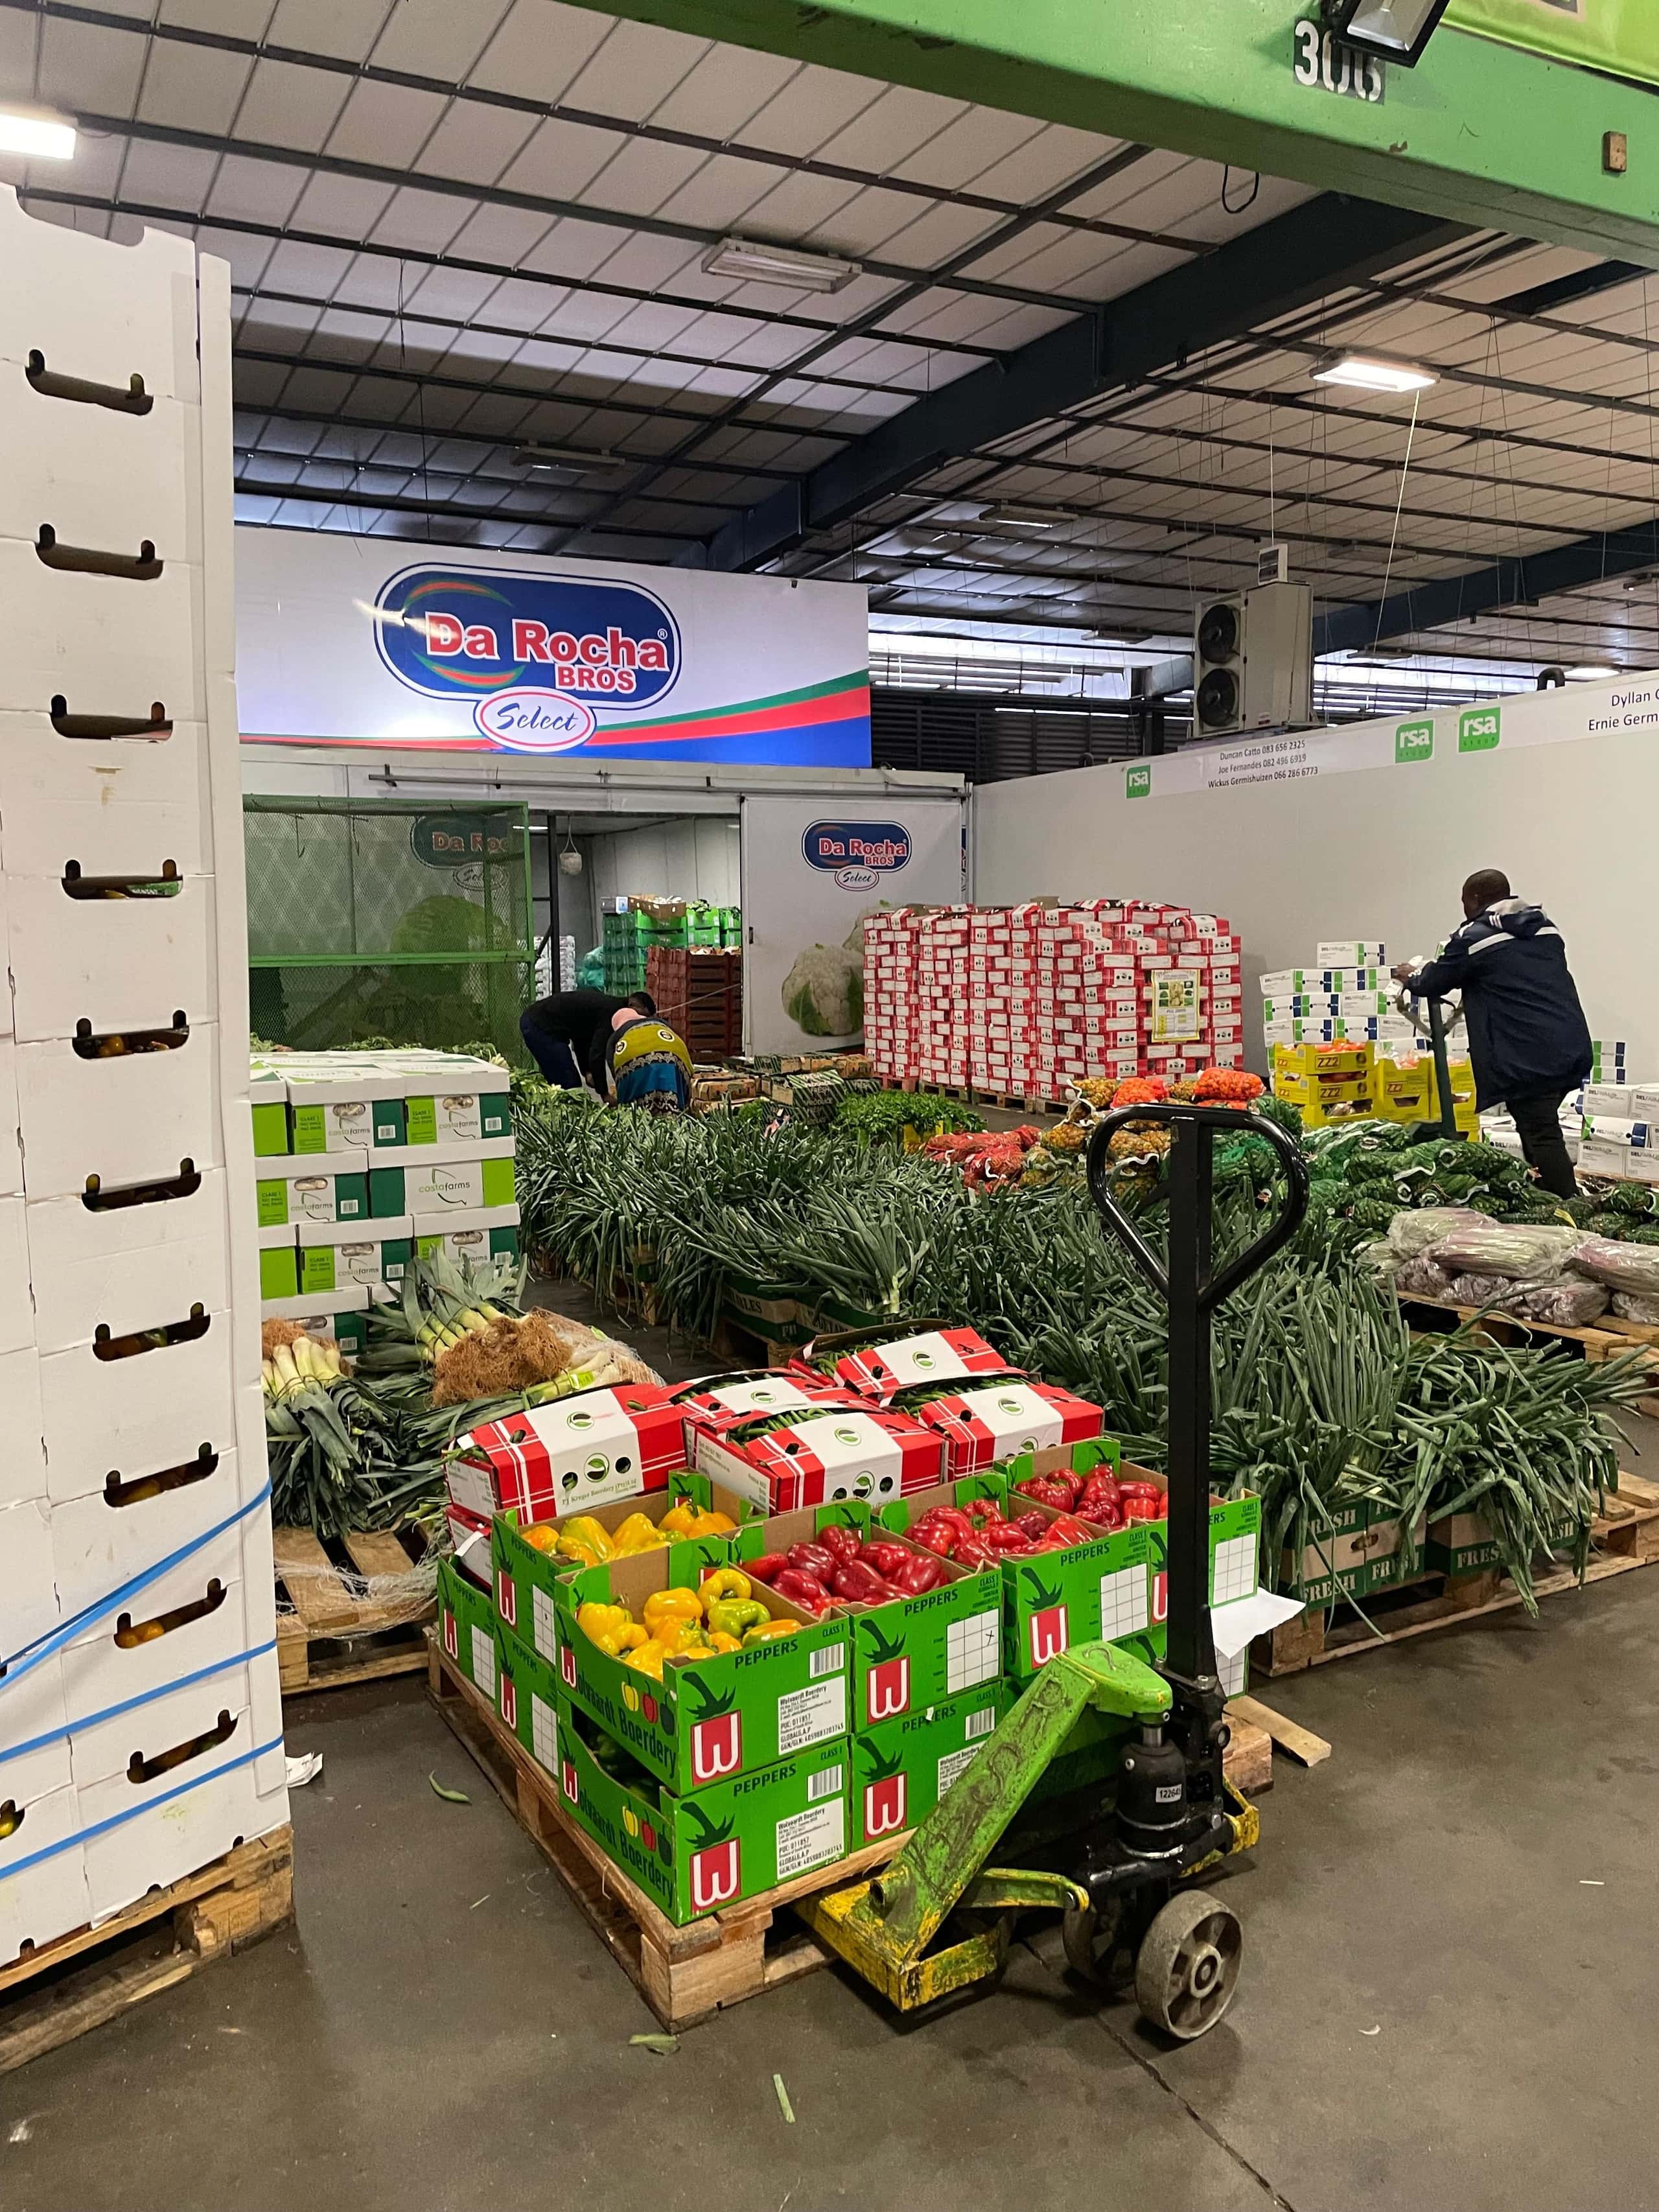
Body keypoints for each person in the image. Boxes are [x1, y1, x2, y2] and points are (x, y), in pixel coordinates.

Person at [1393, 870, 1591, 1200]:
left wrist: (1410, 975)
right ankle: (1546, 1189)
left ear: (1473, 900)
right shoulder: (1544, 927)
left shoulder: (1473, 938)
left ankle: (1570, 1207)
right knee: (1533, 1120)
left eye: (1464, 902)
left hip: (1527, 1054)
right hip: (1568, 1044)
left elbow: (1434, 982)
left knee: (1540, 1130)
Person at [520, 987, 655, 1091]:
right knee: (570, 1085)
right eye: (640, 1017)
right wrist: (605, 1093)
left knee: (557, 1082)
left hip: (540, 1024)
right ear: (632, 1006)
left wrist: (587, 1071)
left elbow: (582, 1039)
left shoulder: (604, 1007)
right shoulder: (611, 1013)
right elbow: (598, 1053)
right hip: (539, 1026)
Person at [601, 1004, 693, 1115]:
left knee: (636, 1109)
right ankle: (677, 1113)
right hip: (672, 1054)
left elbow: (614, 1069)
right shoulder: (660, 1023)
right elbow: (678, 1038)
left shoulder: (616, 1037)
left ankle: (639, 1116)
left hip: (633, 1060)